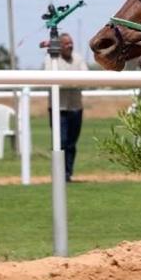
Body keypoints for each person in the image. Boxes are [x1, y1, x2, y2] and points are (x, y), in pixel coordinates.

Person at [42, 33, 88, 181]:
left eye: (71, 43)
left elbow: (86, 79)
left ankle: (68, 174)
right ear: (60, 45)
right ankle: (58, 174)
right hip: (58, 108)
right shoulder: (51, 59)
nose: (70, 46)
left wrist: (66, 82)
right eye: (67, 43)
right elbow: (52, 81)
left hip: (76, 107)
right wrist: (73, 82)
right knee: (60, 142)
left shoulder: (78, 58)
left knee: (71, 143)